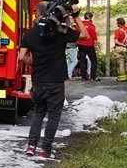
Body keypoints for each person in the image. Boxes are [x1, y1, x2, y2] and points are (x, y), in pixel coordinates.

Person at [18, 12, 76, 159]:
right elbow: (85, 35)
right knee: (54, 116)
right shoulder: (60, 32)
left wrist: (34, 62)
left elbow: (22, 56)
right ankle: (46, 149)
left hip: (38, 80)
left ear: (37, 13)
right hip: (56, 81)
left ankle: (31, 146)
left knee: (38, 113)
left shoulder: (30, 34)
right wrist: (76, 15)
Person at [76, 12, 99, 81]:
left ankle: (83, 76)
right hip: (89, 45)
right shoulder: (91, 26)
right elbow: (94, 37)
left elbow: (76, 33)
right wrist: (96, 45)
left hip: (80, 44)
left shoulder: (79, 25)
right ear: (90, 18)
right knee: (93, 61)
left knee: (82, 60)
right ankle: (93, 76)